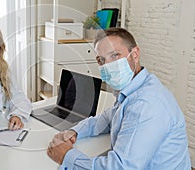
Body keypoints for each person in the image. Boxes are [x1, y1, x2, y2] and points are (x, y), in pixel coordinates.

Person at [47, 27, 191, 169]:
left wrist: (67, 156)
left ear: (135, 54)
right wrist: (75, 131)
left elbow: (121, 167)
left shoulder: (146, 104)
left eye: (115, 55)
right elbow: (107, 120)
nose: (107, 65)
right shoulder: (131, 89)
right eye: (101, 60)